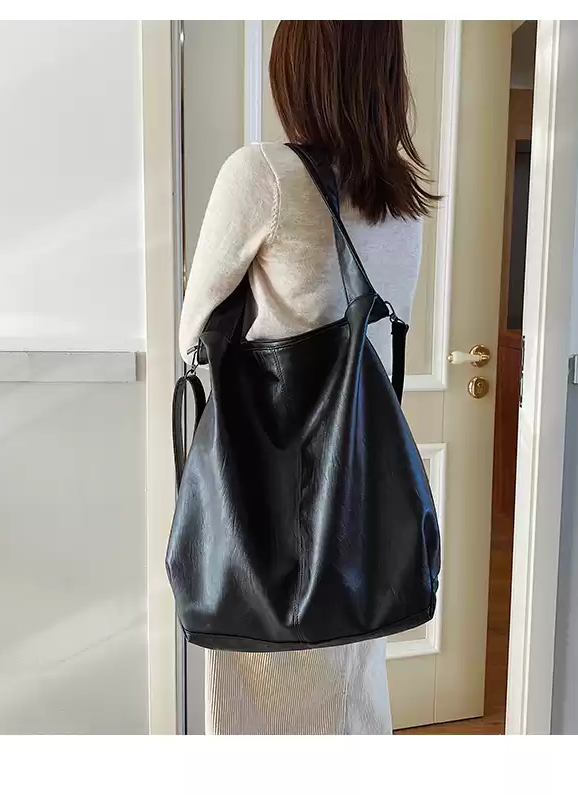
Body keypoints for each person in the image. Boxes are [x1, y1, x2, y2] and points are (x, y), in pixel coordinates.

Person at [178, 20, 439, 735]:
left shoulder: (261, 173)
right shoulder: (404, 200)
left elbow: (193, 334)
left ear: (299, 72)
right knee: (351, 702)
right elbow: (378, 344)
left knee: (259, 712)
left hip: (265, 515)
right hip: (356, 508)